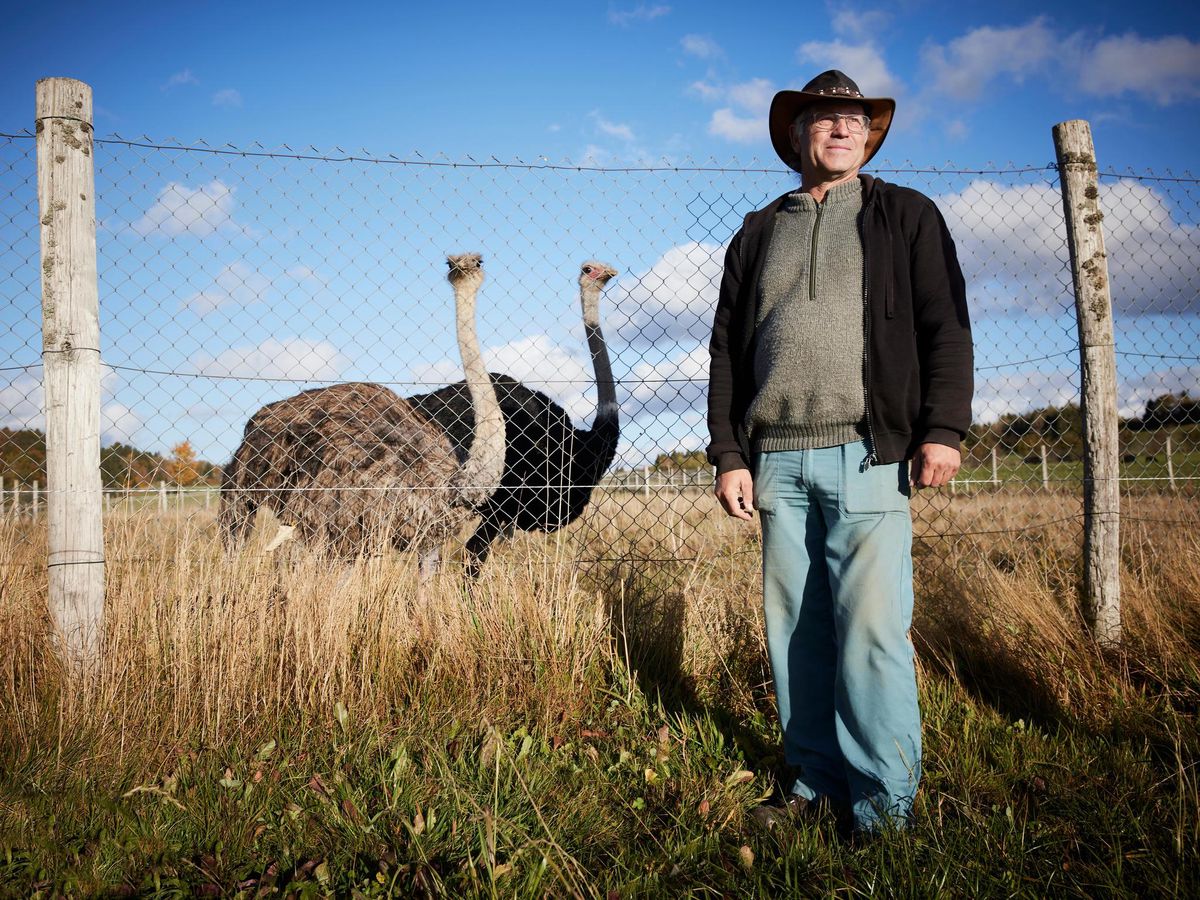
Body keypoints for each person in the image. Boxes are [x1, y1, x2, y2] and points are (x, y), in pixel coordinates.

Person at [706, 70, 973, 835]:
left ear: (870, 134)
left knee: (873, 628)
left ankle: (883, 807)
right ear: (797, 134)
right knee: (797, 629)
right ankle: (814, 783)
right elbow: (726, 348)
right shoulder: (759, 230)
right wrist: (729, 453)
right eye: (824, 116)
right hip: (776, 462)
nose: (841, 126)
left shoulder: (906, 216)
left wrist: (943, 429)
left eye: (854, 117)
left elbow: (945, 327)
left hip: (869, 452)